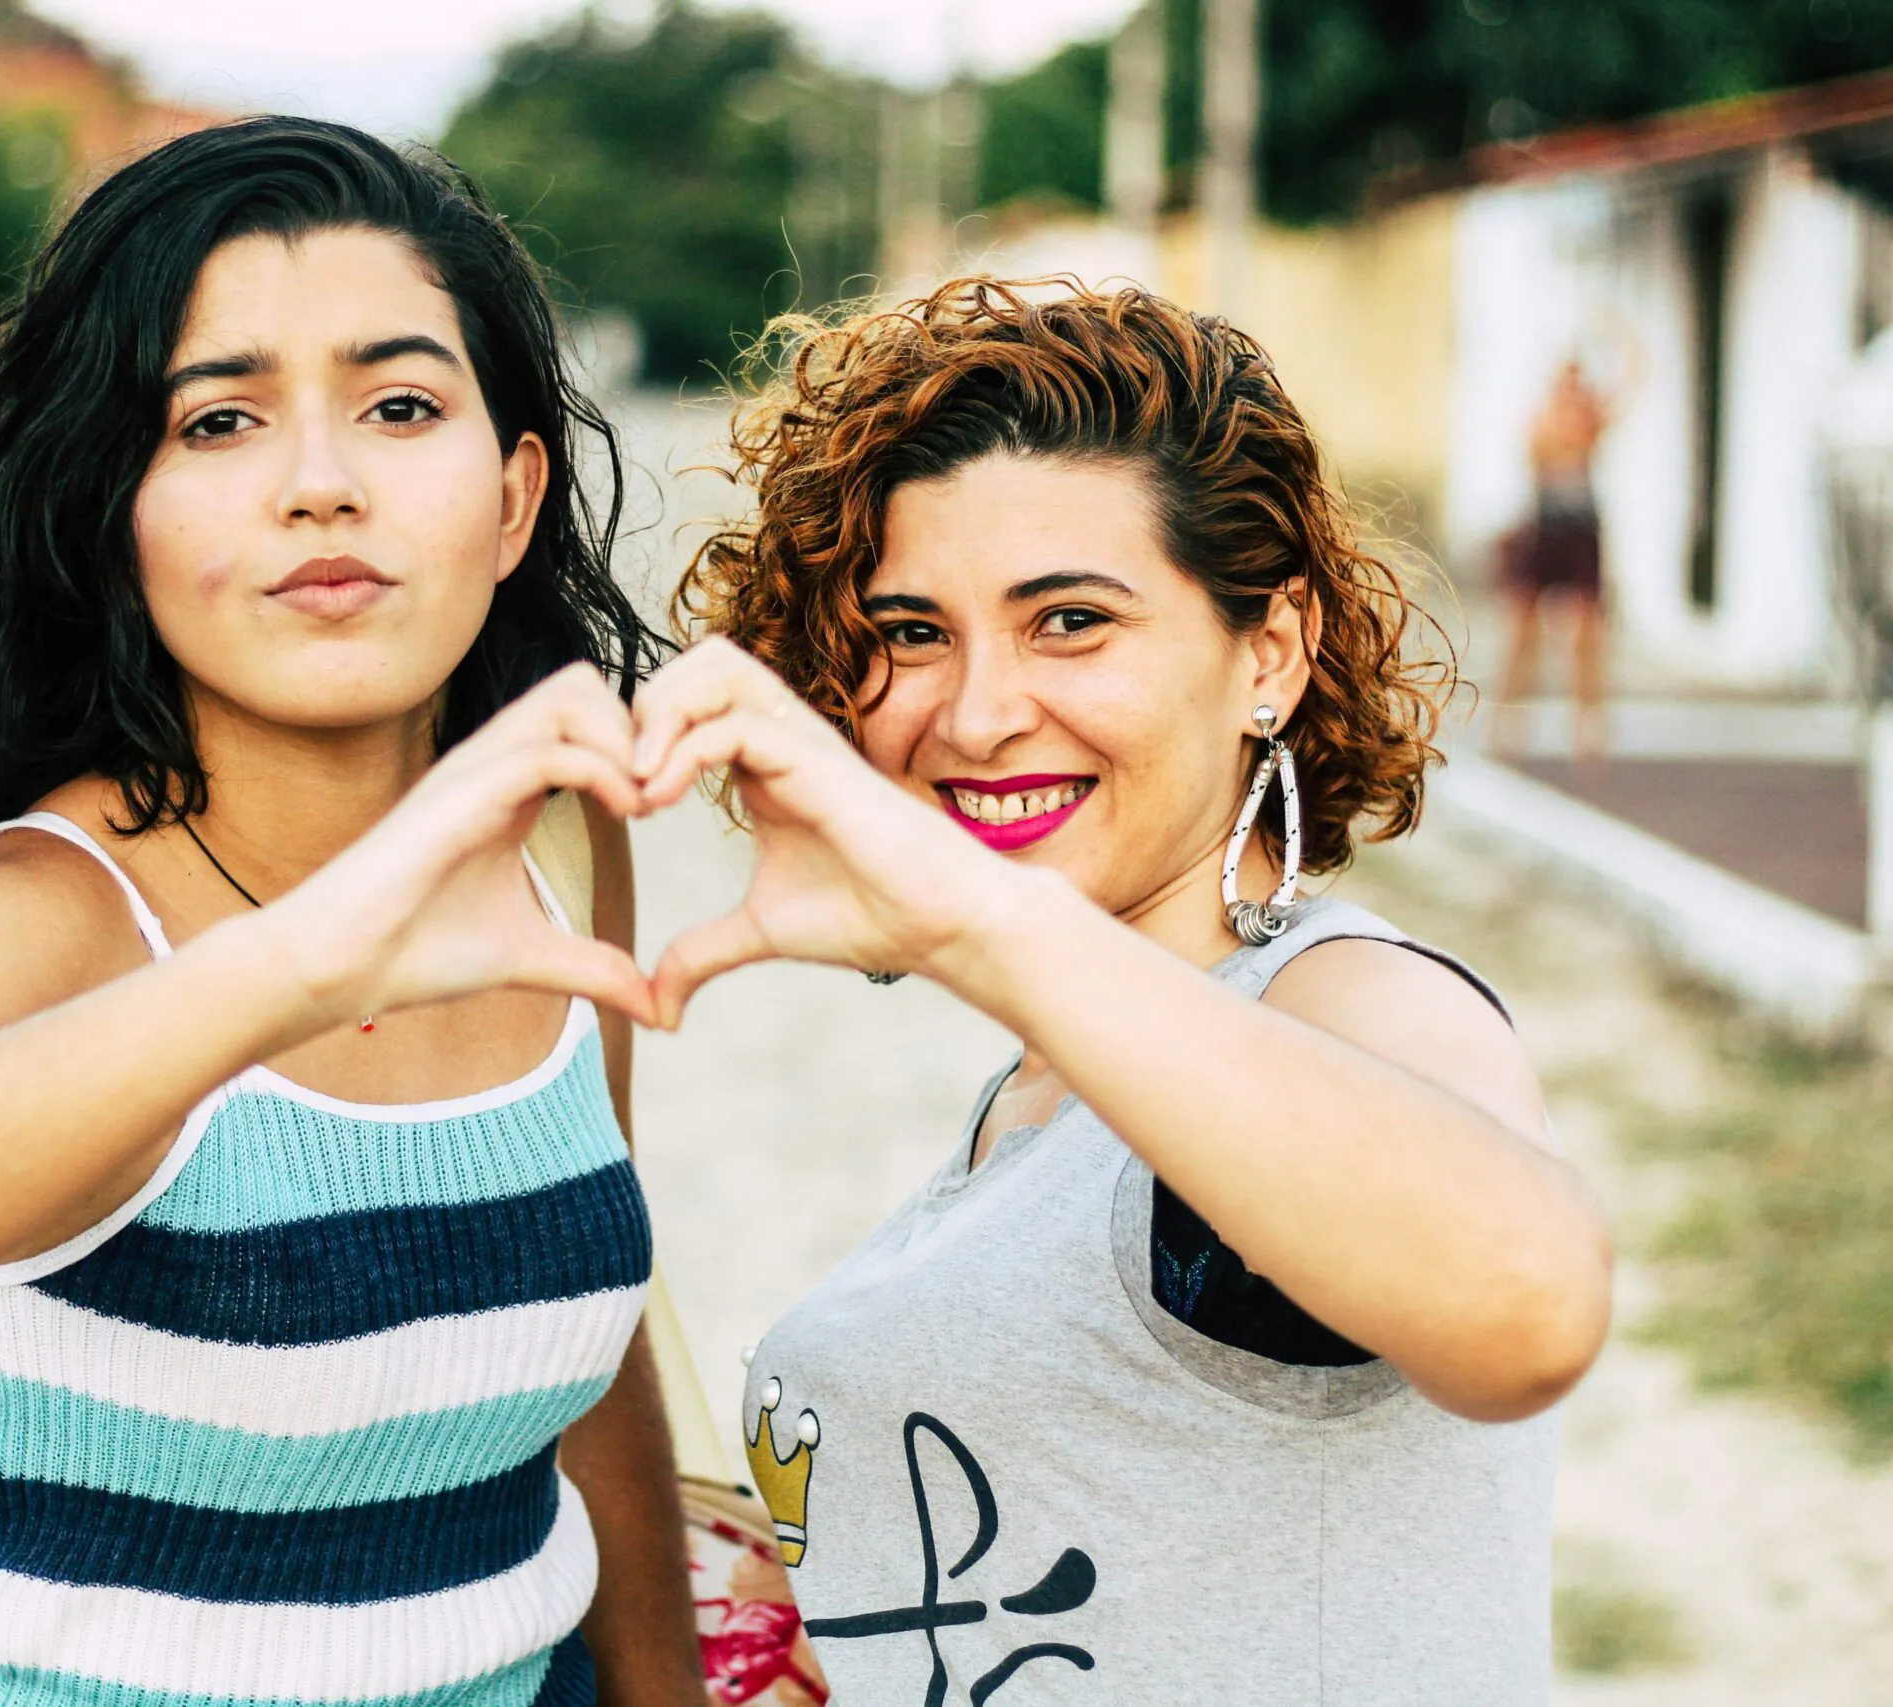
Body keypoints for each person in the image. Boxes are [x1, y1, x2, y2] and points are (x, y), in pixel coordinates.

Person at [0, 119, 700, 1707]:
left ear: (511, 492)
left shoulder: (557, 826)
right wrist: (288, 968)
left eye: (403, 407)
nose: (322, 485)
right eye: (217, 422)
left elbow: (585, 1336)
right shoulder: (48, 916)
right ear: (114, 510)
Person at [648, 279, 1613, 1702]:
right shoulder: (1037, 1091)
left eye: (1071, 621)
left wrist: (981, 919)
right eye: (913, 633)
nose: (974, 712)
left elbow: (1527, 1303)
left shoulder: (1337, 999)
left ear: (1267, 654)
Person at [1498, 357, 1616, 762]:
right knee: (1522, 628)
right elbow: (1545, 447)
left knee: (1586, 629)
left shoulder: (1591, 419)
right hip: (1546, 527)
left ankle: (1588, 724)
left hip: (1581, 530)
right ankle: (1509, 718)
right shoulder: (1542, 422)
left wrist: (1616, 331)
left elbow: (1634, 380)